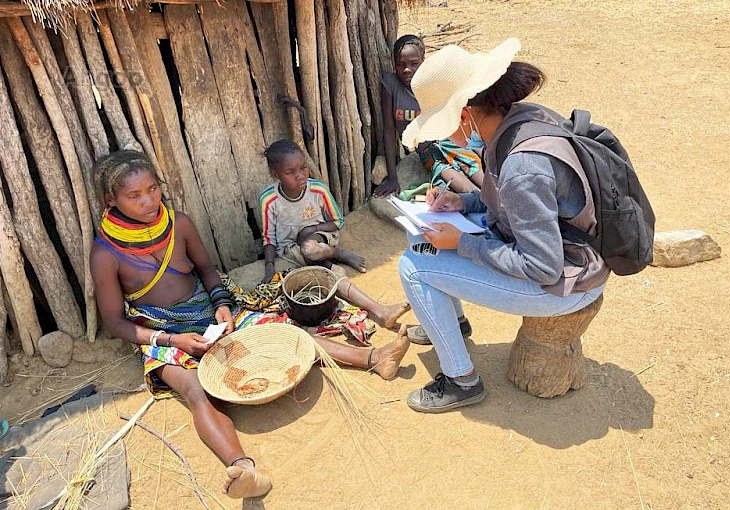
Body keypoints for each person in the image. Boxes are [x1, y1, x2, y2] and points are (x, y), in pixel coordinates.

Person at [90, 150, 411, 499]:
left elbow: (208, 272)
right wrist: (172, 340)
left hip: (208, 309)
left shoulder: (178, 223)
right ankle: (244, 469)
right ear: (112, 200)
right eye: (134, 195)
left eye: (152, 189)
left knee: (285, 334)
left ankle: (374, 359)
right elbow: (115, 323)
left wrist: (223, 305)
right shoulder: (105, 254)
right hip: (159, 330)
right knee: (195, 390)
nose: (149, 200)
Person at [397, 38, 609, 413]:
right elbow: (521, 204)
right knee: (420, 235)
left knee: (413, 267)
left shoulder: (521, 166)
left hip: (566, 284)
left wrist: (461, 244)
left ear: (464, 116)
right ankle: (453, 323)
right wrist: (464, 202)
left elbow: (542, 265)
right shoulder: (518, 120)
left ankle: (461, 380)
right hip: (572, 256)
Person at [261, 139, 410, 329]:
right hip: (291, 249)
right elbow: (268, 238)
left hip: (321, 236)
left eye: (303, 167)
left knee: (311, 249)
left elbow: (338, 222)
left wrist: (311, 230)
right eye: (290, 172)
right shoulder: (268, 200)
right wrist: (269, 267)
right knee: (329, 272)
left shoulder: (317, 190)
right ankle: (380, 310)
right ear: (276, 174)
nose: (300, 175)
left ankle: (336, 252)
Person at [373, 35, 484, 198]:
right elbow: (389, 131)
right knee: (455, 180)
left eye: (414, 63)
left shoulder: (434, 81)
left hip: (451, 139)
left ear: (423, 61)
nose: (407, 69)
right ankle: (482, 200)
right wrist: (392, 178)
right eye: (400, 64)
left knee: (472, 167)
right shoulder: (390, 85)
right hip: (426, 149)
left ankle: (497, 198)